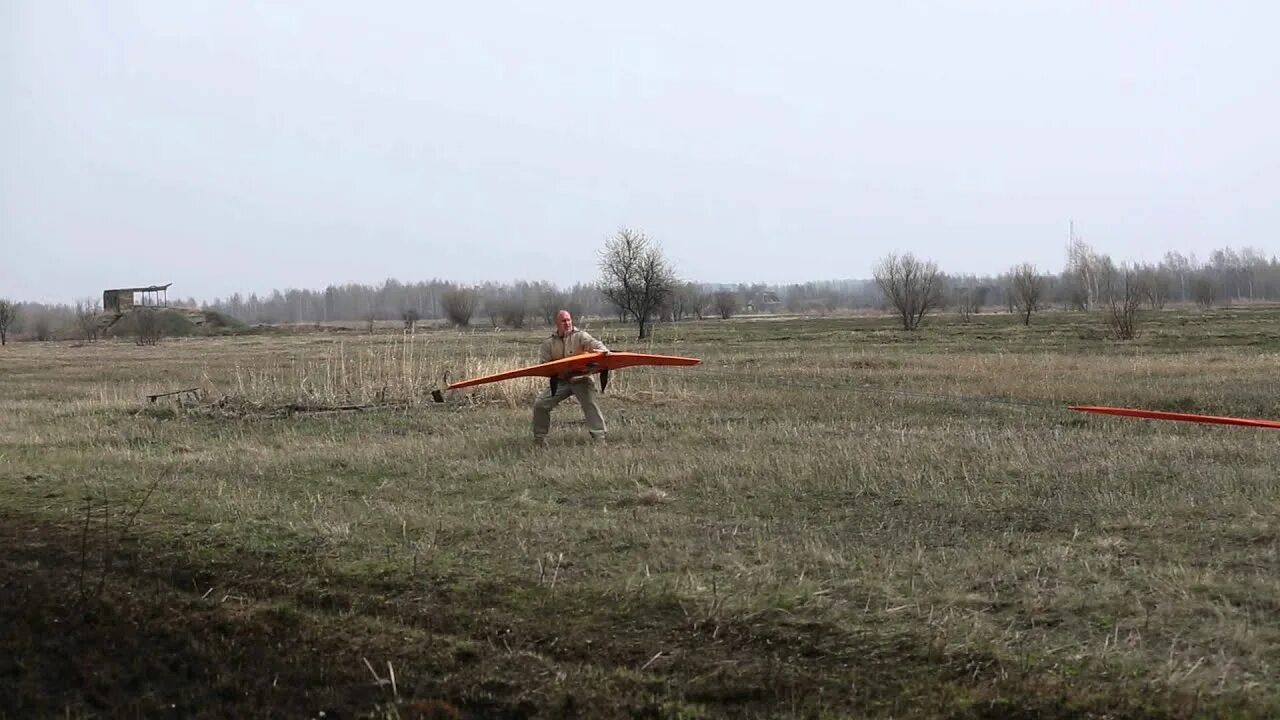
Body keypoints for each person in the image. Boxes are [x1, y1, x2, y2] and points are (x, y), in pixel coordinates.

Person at [532, 310, 609, 444]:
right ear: (557, 323)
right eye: (563, 321)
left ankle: (599, 438)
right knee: (540, 404)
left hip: (581, 379)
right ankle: (540, 438)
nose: (567, 323)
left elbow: (595, 344)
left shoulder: (581, 336)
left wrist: (603, 350)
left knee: (590, 404)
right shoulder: (548, 343)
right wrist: (555, 371)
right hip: (560, 381)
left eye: (568, 320)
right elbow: (544, 366)